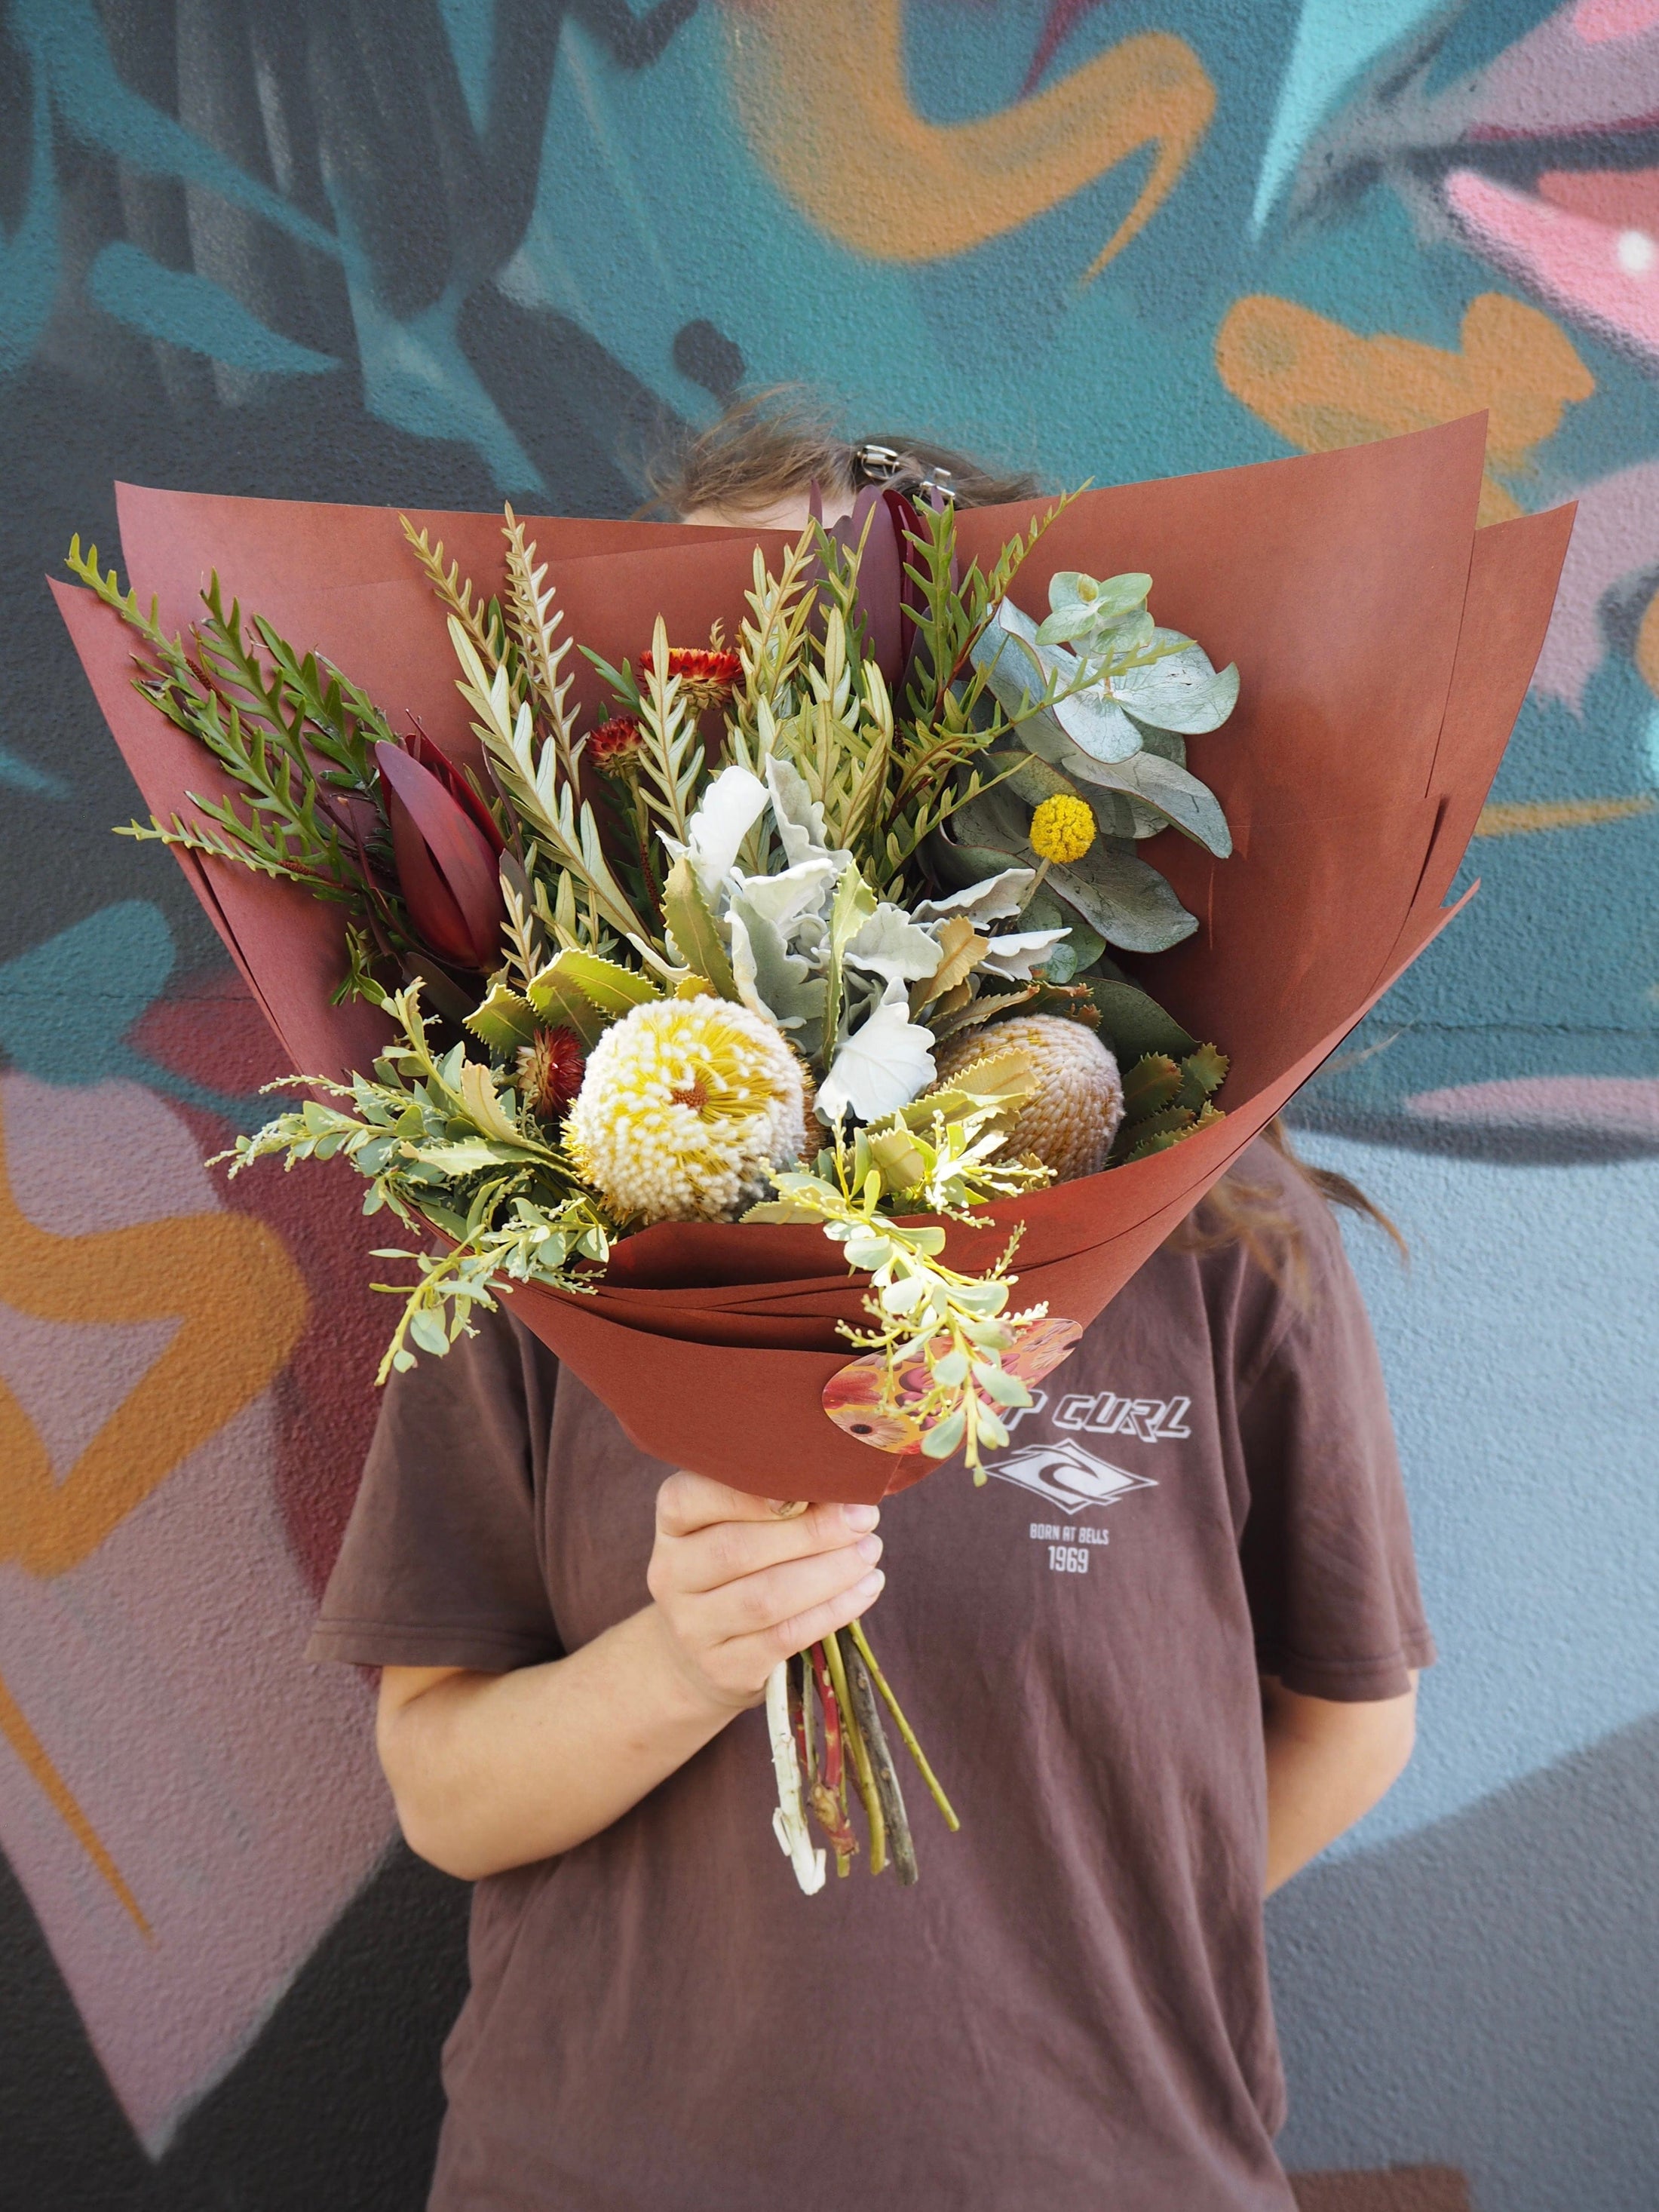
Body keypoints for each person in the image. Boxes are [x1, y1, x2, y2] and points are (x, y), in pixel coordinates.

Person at [308, 393, 1433, 2212]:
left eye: (882, 666)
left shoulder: (1216, 1229)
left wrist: (1075, 1977)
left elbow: (1347, 1722)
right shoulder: (525, 1212)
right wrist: (683, 1659)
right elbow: (445, 1790)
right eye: (744, 660)